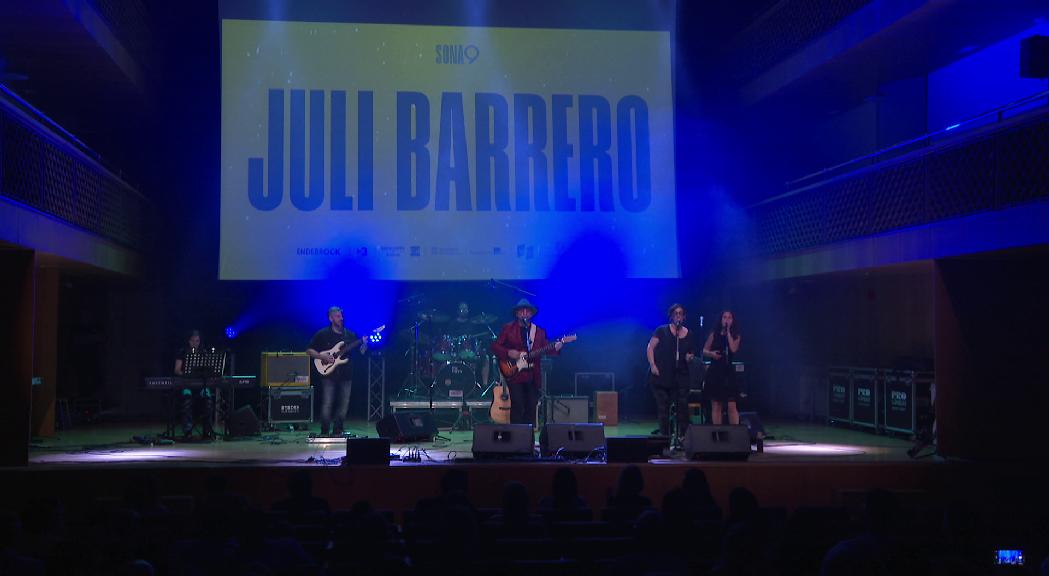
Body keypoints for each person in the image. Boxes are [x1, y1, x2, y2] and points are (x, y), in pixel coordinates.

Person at [491, 298, 562, 426]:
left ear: (531, 314)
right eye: (521, 311)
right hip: (515, 374)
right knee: (518, 405)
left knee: (531, 405)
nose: (524, 313)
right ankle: (516, 437)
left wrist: (556, 348)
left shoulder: (539, 331)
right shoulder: (508, 329)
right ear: (517, 314)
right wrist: (508, 352)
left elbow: (545, 348)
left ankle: (528, 438)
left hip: (533, 374)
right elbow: (495, 347)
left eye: (527, 311)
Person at [306, 306, 368, 436]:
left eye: (342, 316)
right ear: (330, 318)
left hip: (346, 374)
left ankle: (337, 431)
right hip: (328, 374)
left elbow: (361, 352)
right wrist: (321, 356)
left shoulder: (350, 334)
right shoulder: (323, 334)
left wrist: (364, 344)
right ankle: (324, 432)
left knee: (344, 405)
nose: (341, 318)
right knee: (327, 403)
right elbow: (309, 350)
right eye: (338, 316)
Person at [646, 304, 696, 439]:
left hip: (679, 377)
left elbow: (690, 353)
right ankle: (665, 438)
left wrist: (689, 357)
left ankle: (683, 437)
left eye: (680, 313)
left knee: (682, 407)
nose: (678, 316)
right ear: (671, 316)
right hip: (660, 376)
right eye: (675, 313)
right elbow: (650, 347)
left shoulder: (689, 334)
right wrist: (652, 364)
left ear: (684, 316)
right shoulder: (662, 331)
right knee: (663, 407)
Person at [703, 310, 742, 425]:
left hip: (728, 372)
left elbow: (733, 349)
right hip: (715, 371)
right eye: (724, 317)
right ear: (721, 320)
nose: (727, 320)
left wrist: (728, 332)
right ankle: (717, 434)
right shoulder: (714, 334)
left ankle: (735, 433)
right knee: (716, 404)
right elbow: (704, 351)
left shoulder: (736, 335)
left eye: (729, 318)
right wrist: (712, 354)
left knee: (731, 404)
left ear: (733, 320)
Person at [174, 330, 215, 439]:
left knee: (208, 399)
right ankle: (188, 431)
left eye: (197, 341)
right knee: (187, 399)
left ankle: (207, 431)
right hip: (187, 384)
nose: (195, 343)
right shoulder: (182, 352)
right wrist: (187, 374)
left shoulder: (203, 352)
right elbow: (177, 370)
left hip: (201, 385)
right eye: (193, 341)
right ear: (189, 341)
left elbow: (208, 369)